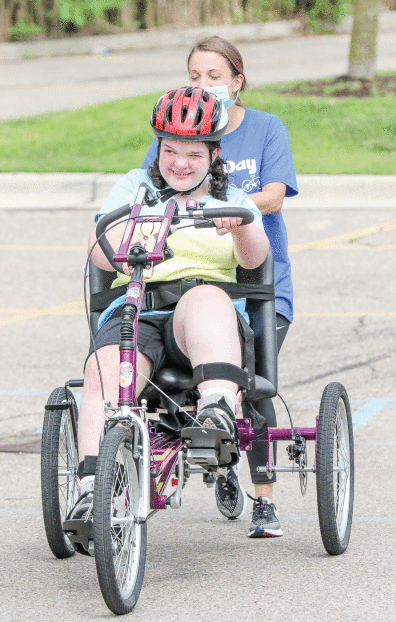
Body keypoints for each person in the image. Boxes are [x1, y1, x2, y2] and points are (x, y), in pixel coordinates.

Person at [72, 86, 270, 529]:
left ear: (214, 156)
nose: (179, 163)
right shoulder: (135, 187)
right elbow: (99, 252)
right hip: (138, 308)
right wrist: (129, 231)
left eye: (193, 155)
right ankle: (89, 491)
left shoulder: (231, 195)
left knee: (202, 297)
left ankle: (216, 408)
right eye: (169, 151)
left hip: (202, 318)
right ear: (158, 149)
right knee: (104, 368)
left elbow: (256, 258)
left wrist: (240, 226)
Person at [142, 36, 298, 537]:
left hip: (253, 279)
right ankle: (214, 455)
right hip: (189, 278)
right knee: (184, 376)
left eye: (214, 77)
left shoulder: (266, 128)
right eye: (194, 76)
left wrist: (223, 206)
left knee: (250, 379)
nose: (203, 85)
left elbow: (274, 195)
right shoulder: (177, 126)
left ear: (237, 80)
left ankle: (265, 497)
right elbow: (153, 185)